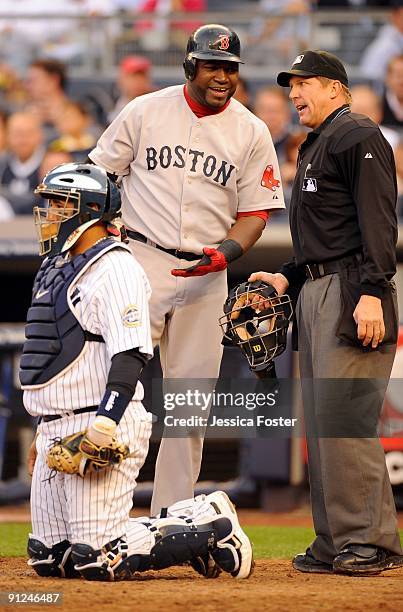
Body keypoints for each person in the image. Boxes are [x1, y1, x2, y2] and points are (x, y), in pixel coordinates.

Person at [21, 162, 253, 582]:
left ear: (88, 210)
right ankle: (193, 522)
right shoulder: (55, 267)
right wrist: (42, 431)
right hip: (57, 429)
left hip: (102, 420)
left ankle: (208, 525)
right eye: (50, 203)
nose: (49, 213)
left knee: (97, 558)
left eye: (59, 204)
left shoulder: (117, 268)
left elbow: (130, 353)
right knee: (49, 558)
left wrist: (105, 424)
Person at [89, 23, 285, 516]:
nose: (223, 76)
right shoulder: (144, 110)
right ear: (190, 66)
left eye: (231, 68)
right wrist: (106, 232)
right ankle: (98, 509)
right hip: (141, 262)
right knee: (116, 392)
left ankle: (168, 521)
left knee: (188, 408)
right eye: (213, 65)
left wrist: (230, 253)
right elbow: (100, 175)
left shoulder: (251, 129)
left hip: (207, 274)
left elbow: (256, 211)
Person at [250, 50, 403, 576]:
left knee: (344, 420)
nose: (295, 94)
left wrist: (373, 291)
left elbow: (379, 224)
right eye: (290, 86)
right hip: (317, 288)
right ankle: (334, 539)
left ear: (337, 88)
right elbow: (322, 239)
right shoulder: (316, 142)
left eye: (305, 84)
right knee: (320, 425)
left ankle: (370, 542)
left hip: (353, 288)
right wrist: (286, 277)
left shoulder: (357, 134)